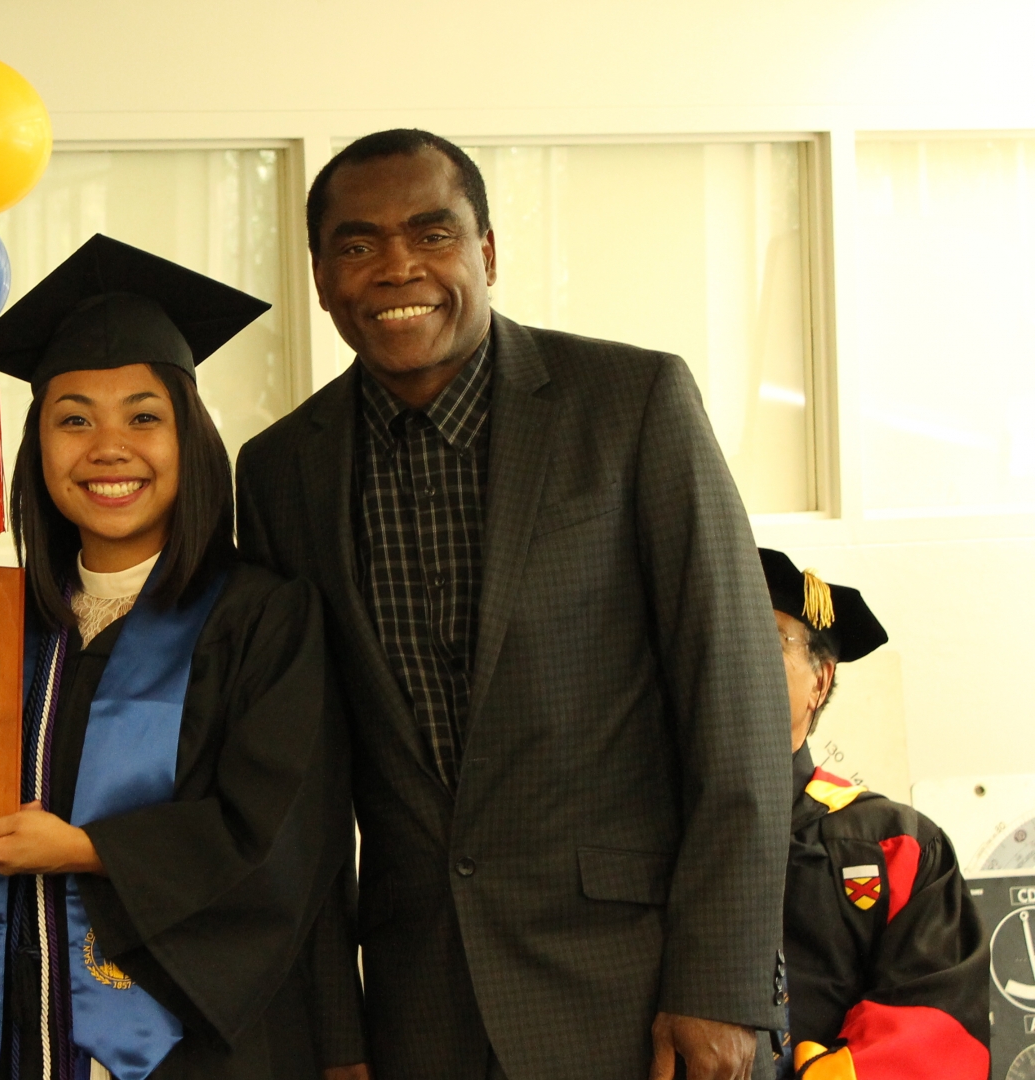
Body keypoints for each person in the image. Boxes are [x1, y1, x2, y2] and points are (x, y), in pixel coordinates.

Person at [235, 128, 792, 1080]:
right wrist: (333, 1031)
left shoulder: (632, 403)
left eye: (432, 233)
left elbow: (734, 704)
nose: (397, 267)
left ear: (486, 252)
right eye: (358, 244)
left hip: (635, 990)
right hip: (419, 1005)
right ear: (322, 279)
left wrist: (722, 983)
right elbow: (303, 788)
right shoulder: (282, 469)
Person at [0, 235, 358, 1079]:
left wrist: (85, 850)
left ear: (189, 437)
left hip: (194, 1047)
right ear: (38, 447)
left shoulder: (263, 618)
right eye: (74, 419)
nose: (107, 447)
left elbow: (285, 838)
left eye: (143, 416)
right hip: (13, 1024)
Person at [760, 550, 989, 1079]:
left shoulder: (899, 846)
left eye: (768, 638)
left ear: (820, 681)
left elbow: (937, 1033)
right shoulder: (645, 829)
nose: (737, 657)